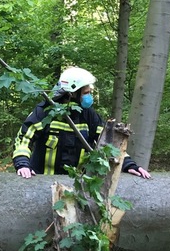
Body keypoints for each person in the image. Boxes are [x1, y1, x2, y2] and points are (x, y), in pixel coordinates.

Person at [13, 66, 152, 179]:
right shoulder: (44, 112)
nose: (89, 96)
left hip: (76, 184)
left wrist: (129, 165)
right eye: (86, 92)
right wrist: (22, 164)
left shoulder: (89, 115)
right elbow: (24, 139)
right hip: (41, 181)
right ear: (72, 93)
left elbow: (107, 143)